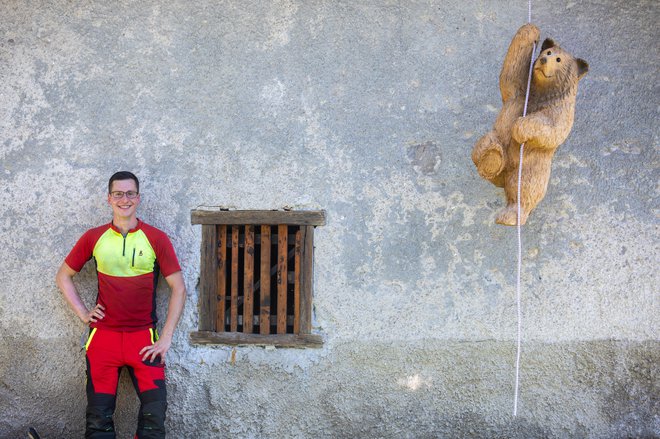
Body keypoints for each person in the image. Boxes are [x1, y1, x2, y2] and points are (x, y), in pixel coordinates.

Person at [56, 171, 186, 439]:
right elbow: (63, 276)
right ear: (109, 198)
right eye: (118, 194)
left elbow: (179, 289)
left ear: (138, 198)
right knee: (98, 421)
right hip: (103, 339)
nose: (124, 199)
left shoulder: (156, 238)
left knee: (154, 420)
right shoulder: (95, 237)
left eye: (129, 193)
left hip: (144, 341)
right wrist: (83, 313)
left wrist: (166, 339)